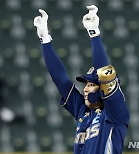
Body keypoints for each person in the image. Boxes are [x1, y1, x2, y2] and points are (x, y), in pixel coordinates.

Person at [34, 5, 130, 154]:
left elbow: (104, 73)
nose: (85, 88)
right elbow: (60, 80)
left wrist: (94, 34)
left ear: (102, 89)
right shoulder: (83, 111)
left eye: (91, 85)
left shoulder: (115, 113)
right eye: (86, 84)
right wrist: (45, 39)